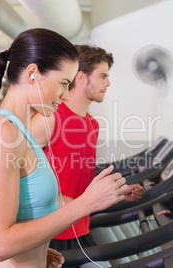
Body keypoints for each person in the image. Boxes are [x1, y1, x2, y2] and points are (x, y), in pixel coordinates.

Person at [0, 28, 128, 268]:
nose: (65, 96)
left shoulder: (16, 130)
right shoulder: (5, 133)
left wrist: (31, 250)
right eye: (63, 84)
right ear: (32, 73)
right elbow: (1, 246)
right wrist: (85, 204)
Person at [30, 45, 144, 253]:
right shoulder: (50, 119)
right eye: (102, 76)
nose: (108, 83)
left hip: (80, 227)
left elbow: (78, 177)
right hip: (51, 232)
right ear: (81, 78)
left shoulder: (92, 124)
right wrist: (54, 200)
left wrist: (118, 191)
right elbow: (14, 175)